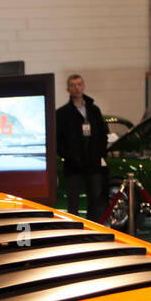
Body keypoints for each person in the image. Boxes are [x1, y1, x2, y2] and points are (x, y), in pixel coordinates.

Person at [55, 74, 110, 221]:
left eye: (79, 84)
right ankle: (75, 233)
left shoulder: (94, 110)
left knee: (95, 201)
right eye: (73, 85)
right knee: (73, 203)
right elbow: (57, 139)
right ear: (68, 89)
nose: (76, 88)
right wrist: (67, 155)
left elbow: (103, 133)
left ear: (83, 86)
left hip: (93, 163)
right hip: (73, 165)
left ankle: (95, 232)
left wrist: (99, 153)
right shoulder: (62, 114)